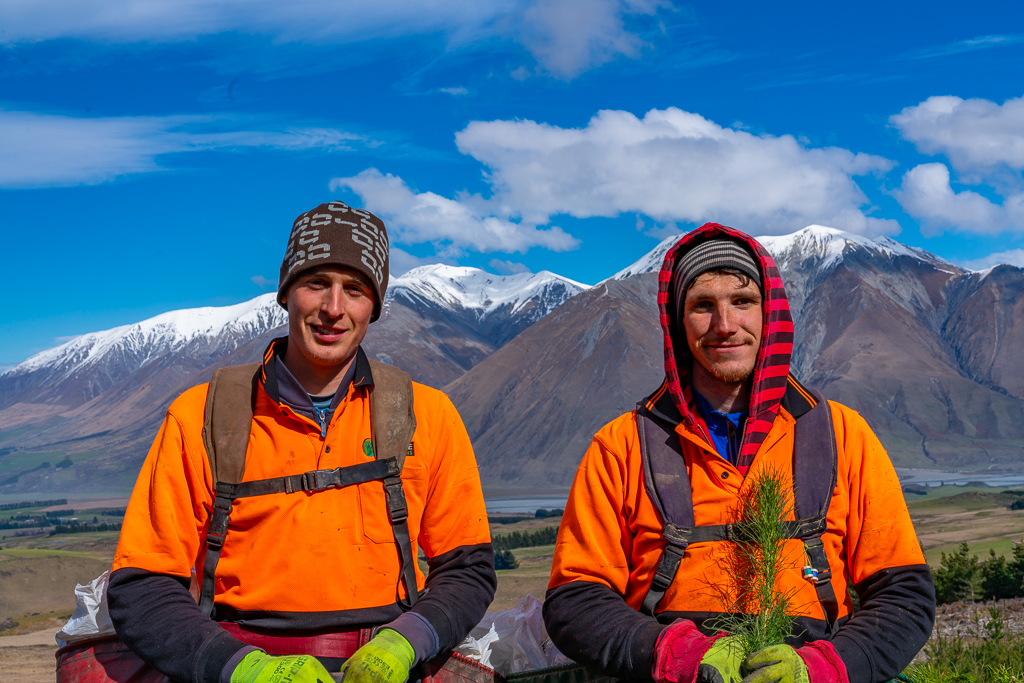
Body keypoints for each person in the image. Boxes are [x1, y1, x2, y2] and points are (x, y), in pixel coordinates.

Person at [108, 202, 496, 683]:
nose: (333, 309)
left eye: (354, 290)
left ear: (373, 308)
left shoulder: (427, 416)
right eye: (316, 283)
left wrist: (405, 642)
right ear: (286, 293)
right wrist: (240, 668)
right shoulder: (201, 417)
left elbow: (468, 569)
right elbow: (141, 587)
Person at [543, 223, 935, 683]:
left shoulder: (843, 435)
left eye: (742, 302)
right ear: (677, 322)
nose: (725, 325)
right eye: (703, 306)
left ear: (770, 316)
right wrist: (678, 656)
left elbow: (904, 595)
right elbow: (575, 601)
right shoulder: (621, 445)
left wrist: (823, 668)